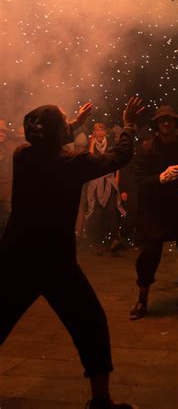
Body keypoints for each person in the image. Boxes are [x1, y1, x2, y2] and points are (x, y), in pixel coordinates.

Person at [0, 96, 144, 409]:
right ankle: (101, 401)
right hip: (55, 262)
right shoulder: (73, 163)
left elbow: (49, 143)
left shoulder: (22, 156)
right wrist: (129, 126)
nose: (70, 123)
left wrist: (73, 125)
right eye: (64, 121)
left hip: (15, 257)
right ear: (57, 134)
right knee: (91, 324)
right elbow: (119, 157)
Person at [130, 104, 178, 320]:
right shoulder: (146, 149)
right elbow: (139, 181)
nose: (166, 123)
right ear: (156, 125)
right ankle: (142, 298)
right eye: (162, 121)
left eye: (169, 120)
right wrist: (160, 178)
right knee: (148, 256)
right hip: (154, 211)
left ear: (175, 124)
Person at [85, 123, 126, 255]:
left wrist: (117, 177)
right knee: (95, 213)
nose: (100, 132)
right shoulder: (90, 145)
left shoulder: (111, 144)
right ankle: (95, 243)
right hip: (95, 182)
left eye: (102, 130)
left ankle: (115, 240)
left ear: (105, 132)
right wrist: (91, 143)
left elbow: (117, 161)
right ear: (94, 132)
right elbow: (89, 160)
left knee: (112, 210)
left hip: (109, 180)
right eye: (97, 130)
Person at [0, 119, 14, 239]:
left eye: (3, 131)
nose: (1, 133)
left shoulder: (9, 147)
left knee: (7, 221)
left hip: (7, 191)